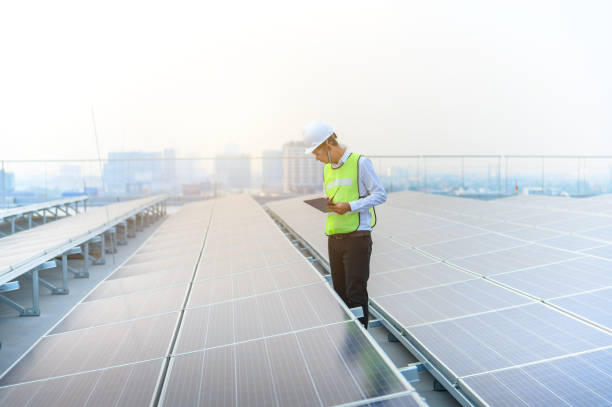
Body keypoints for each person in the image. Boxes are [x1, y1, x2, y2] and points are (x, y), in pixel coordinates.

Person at [303, 121, 387, 328]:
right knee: (340, 294)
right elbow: (332, 196)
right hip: (335, 238)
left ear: (328, 146)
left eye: (317, 153)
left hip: (357, 238)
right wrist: (328, 204)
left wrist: (350, 206)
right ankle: (350, 339)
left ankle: (361, 341)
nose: (316, 158)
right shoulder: (327, 171)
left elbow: (380, 195)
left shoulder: (360, 163)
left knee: (355, 293)